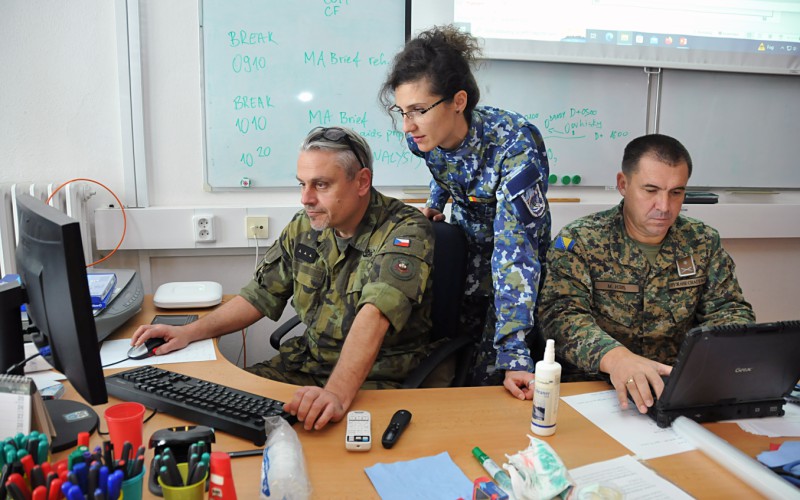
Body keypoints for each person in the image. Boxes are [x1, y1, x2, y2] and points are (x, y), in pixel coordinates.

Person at [130, 126, 437, 431]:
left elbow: (375, 314)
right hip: (307, 365)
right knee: (214, 409)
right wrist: (189, 332)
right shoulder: (306, 226)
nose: (306, 198)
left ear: (362, 182)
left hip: (374, 381)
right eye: (302, 184)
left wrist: (335, 393)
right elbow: (260, 294)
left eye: (321, 185)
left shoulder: (404, 230)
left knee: (319, 447)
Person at [379, 25, 551, 399]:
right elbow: (443, 168)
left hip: (515, 263)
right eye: (402, 111)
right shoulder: (423, 138)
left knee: (490, 376)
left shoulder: (514, 146)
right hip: (469, 245)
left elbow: (516, 253)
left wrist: (514, 353)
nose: (407, 126)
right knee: (453, 347)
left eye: (418, 111)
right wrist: (436, 203)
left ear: (458, 101)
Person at [538, 133, 755, 414]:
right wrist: (615, 359)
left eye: (676, 192)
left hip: (676, 390)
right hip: (595, 390)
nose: (664, 207)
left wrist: (722, 358)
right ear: (623, 184)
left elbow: (729, 309)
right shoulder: (580, 240)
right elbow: (560, 316)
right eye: (651, 190)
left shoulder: (702, 241)